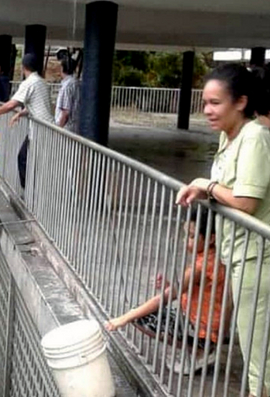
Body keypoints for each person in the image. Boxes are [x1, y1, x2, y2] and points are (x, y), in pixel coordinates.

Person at [176, 63, 270, 396]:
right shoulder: (227, 138)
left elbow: (245, 202)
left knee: (258, 352)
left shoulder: (255, 137)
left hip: (257, 260)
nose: (207, 111)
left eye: (216, 103)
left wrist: (207, 185)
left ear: (241, 102)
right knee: (253, 345)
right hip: (238, 257)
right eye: (205, 103)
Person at [106, 209, 229, 373]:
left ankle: (200, 351)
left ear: (211, 238)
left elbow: (162, 299)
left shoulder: (200, 267)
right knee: (144, 313)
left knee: (142, 319)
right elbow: (195, 290)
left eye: (192, 237)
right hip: (208, 324)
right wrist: (169, 285)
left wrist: (124, 318)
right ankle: (200, 347)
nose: (186, 241)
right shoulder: (215, 257)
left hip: (202, 329)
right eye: (186, 235)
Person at [0, 53, 53, 189]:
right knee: (28, 159)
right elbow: (37, 104)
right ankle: (30, 192)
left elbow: (11, 104)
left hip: (40, 131)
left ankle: (28, 193)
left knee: (25, 159)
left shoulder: (29, 83)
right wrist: (20, 114)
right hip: (45, 128)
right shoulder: (41, 82)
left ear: (23, 67)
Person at [55, 57, 79, 132]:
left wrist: (59, 128)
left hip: (66, 128)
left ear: (62, 68)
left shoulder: (67, 86)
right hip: (75, 125)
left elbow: (65, 111)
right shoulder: (77, 83)